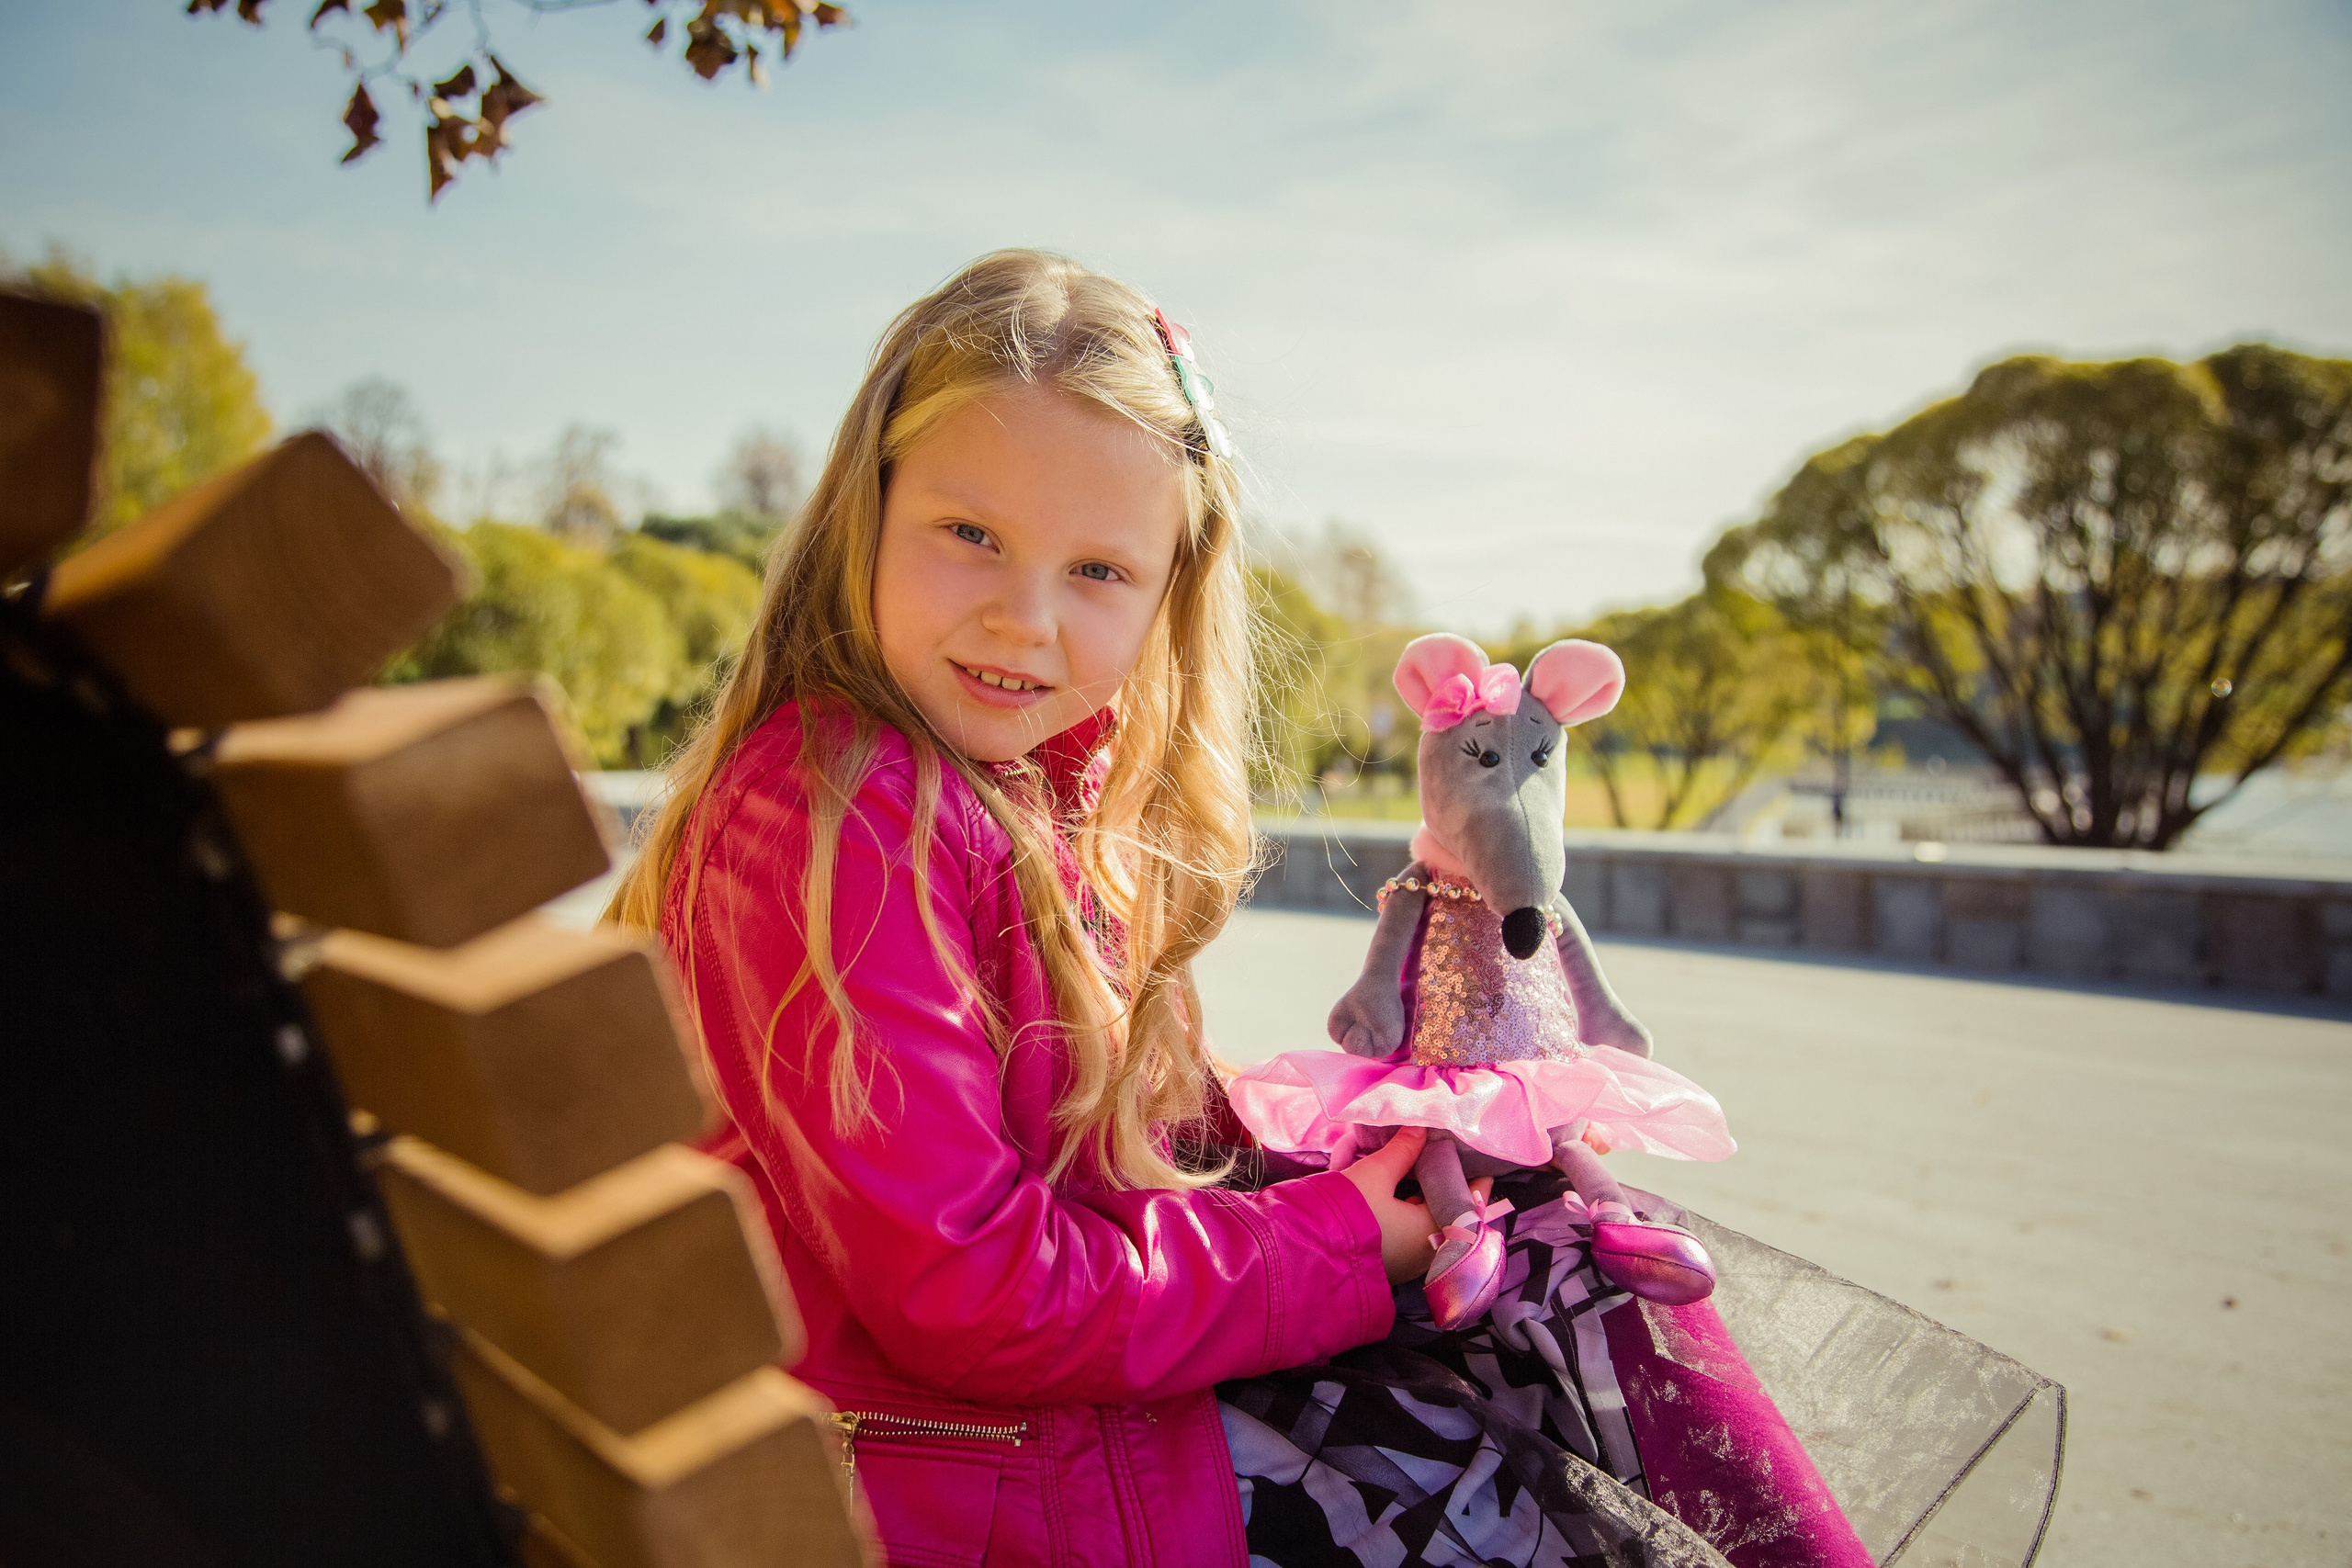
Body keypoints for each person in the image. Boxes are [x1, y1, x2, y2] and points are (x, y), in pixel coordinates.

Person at [608, 249, 1481, 1564]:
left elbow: (1070, 1133)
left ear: (1170, 594)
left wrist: (1334, 1148)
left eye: (1098, 573)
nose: (1024, 621)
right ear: (869, 510)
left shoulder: (1009, 799)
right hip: (947, 1514)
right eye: (972, 537)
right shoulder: (838, 814)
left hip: (1008, 1483)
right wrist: (1340, 1245)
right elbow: (978, 1289)